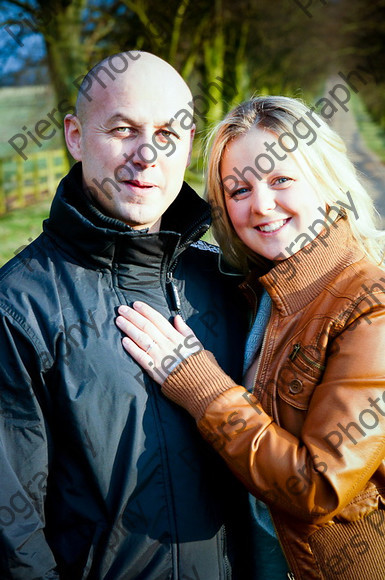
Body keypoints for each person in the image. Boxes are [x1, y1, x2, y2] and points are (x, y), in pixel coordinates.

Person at [0, 51, 257, 579]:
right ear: (74, 135)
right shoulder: (18, 306)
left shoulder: (230, 282)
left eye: (168, 132)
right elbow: (11, 534)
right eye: (122, 129)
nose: (147, 153)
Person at [116, 95, 385, 580]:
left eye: (281, 179)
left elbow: (317, 488)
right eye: (238, 190)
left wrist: (201, 386)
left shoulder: (371, 307)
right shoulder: (261, 292)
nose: (261, 205)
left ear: (324, 181)